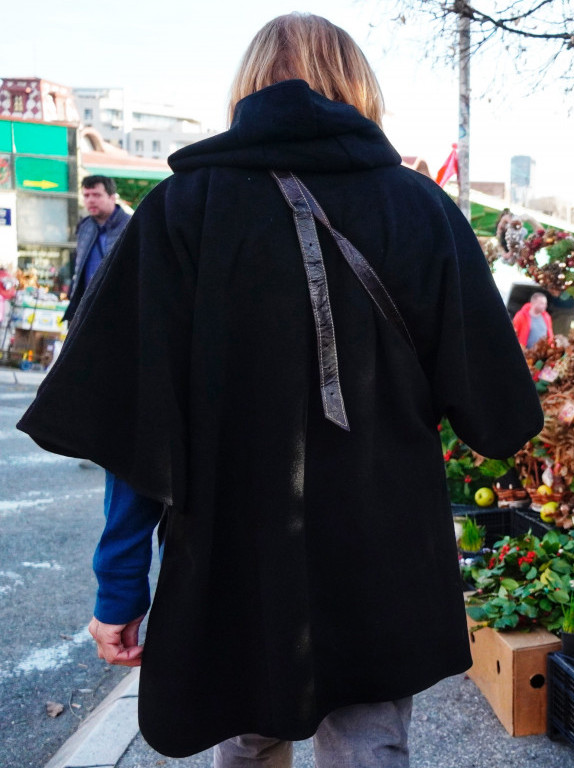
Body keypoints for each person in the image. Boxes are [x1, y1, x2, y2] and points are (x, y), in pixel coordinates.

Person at [19, 13, 543, 766]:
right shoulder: (421, 208)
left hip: (237, 553)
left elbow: (135, 426)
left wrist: (120, 585)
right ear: (359, 87)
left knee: (248, 733)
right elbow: (496, 416)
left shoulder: (182, 210)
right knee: (370, 746)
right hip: (385, 548)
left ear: (248, 87)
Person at [65, 175, 131, 323]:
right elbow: (79, 268)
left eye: (96, 195)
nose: (90, 200)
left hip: (118, 309)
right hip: (85, 308)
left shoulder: (130, 225)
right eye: (86, 195)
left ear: (112, 197)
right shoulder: (85, 226)